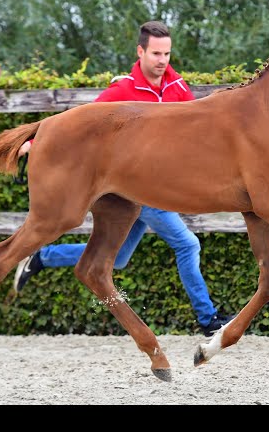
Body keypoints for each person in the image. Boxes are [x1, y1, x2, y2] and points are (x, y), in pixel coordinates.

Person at [14, 20, 234, 337]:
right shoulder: (123, 90)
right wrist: (34, 144)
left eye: (167, 54)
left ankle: (43, 256)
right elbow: (80, 128)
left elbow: (199, 131)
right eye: (156, 53)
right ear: (140, 51)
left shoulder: (178, 88)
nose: (162, 60)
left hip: (164, 188)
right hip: (136, 188)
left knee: (117, 258)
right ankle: (208, 319)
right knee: (188, 244)